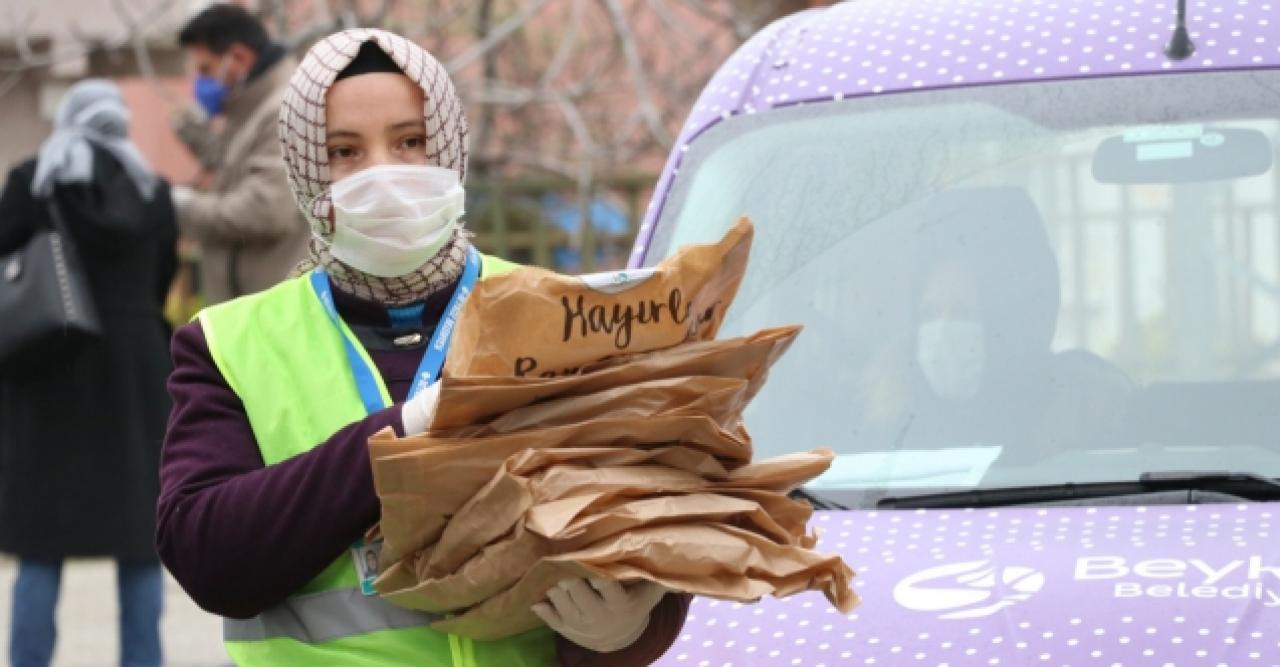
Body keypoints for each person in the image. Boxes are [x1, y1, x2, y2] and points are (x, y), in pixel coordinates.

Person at [157, 30, 688, 666]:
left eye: (411, 141)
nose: (384, 173)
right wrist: (406, 434)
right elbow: (211, 559)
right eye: (344, 151)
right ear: (303, 171)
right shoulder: (229, 344)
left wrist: (630, 631)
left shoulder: (565, 313)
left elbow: (646, 514)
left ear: (450, 149)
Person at [0, 79, 177, 667]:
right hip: (135, 374)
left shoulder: (34, 181)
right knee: (139, 544)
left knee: (39, 545)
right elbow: (161, 278)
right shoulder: (152, 190)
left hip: (49, 367)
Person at [857, 187, 1132, 458]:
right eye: (929, 313)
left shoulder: (1083, 418)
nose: (941, 332)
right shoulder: (889, 424)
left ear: (1013, 321)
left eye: (965, 312)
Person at [171, 3, 310, 304]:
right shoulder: (249, 107)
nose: (200, 82)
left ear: (237, 57)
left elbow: (265, 211)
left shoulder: (282, 108)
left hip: (272, 308)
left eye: (205, 69)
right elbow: (232, 168)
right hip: (252, 303)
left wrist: (185, 207)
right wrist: (192, 128)